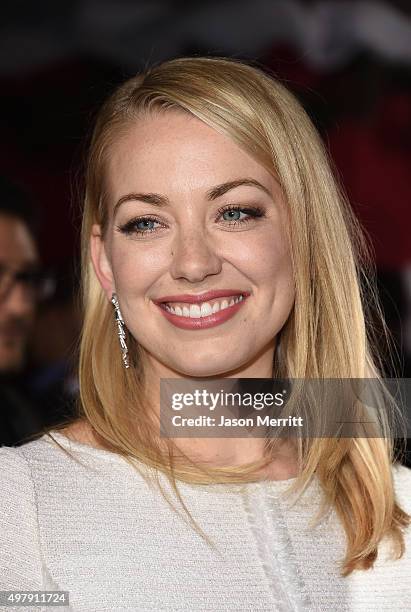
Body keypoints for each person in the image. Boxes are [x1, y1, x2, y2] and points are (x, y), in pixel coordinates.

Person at [0, 56, 410, 611]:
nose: (193, 263)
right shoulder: (24, 507)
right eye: (146, 222)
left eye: (236, 212)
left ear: (305, 236)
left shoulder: (396, 506)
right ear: (105, 263)